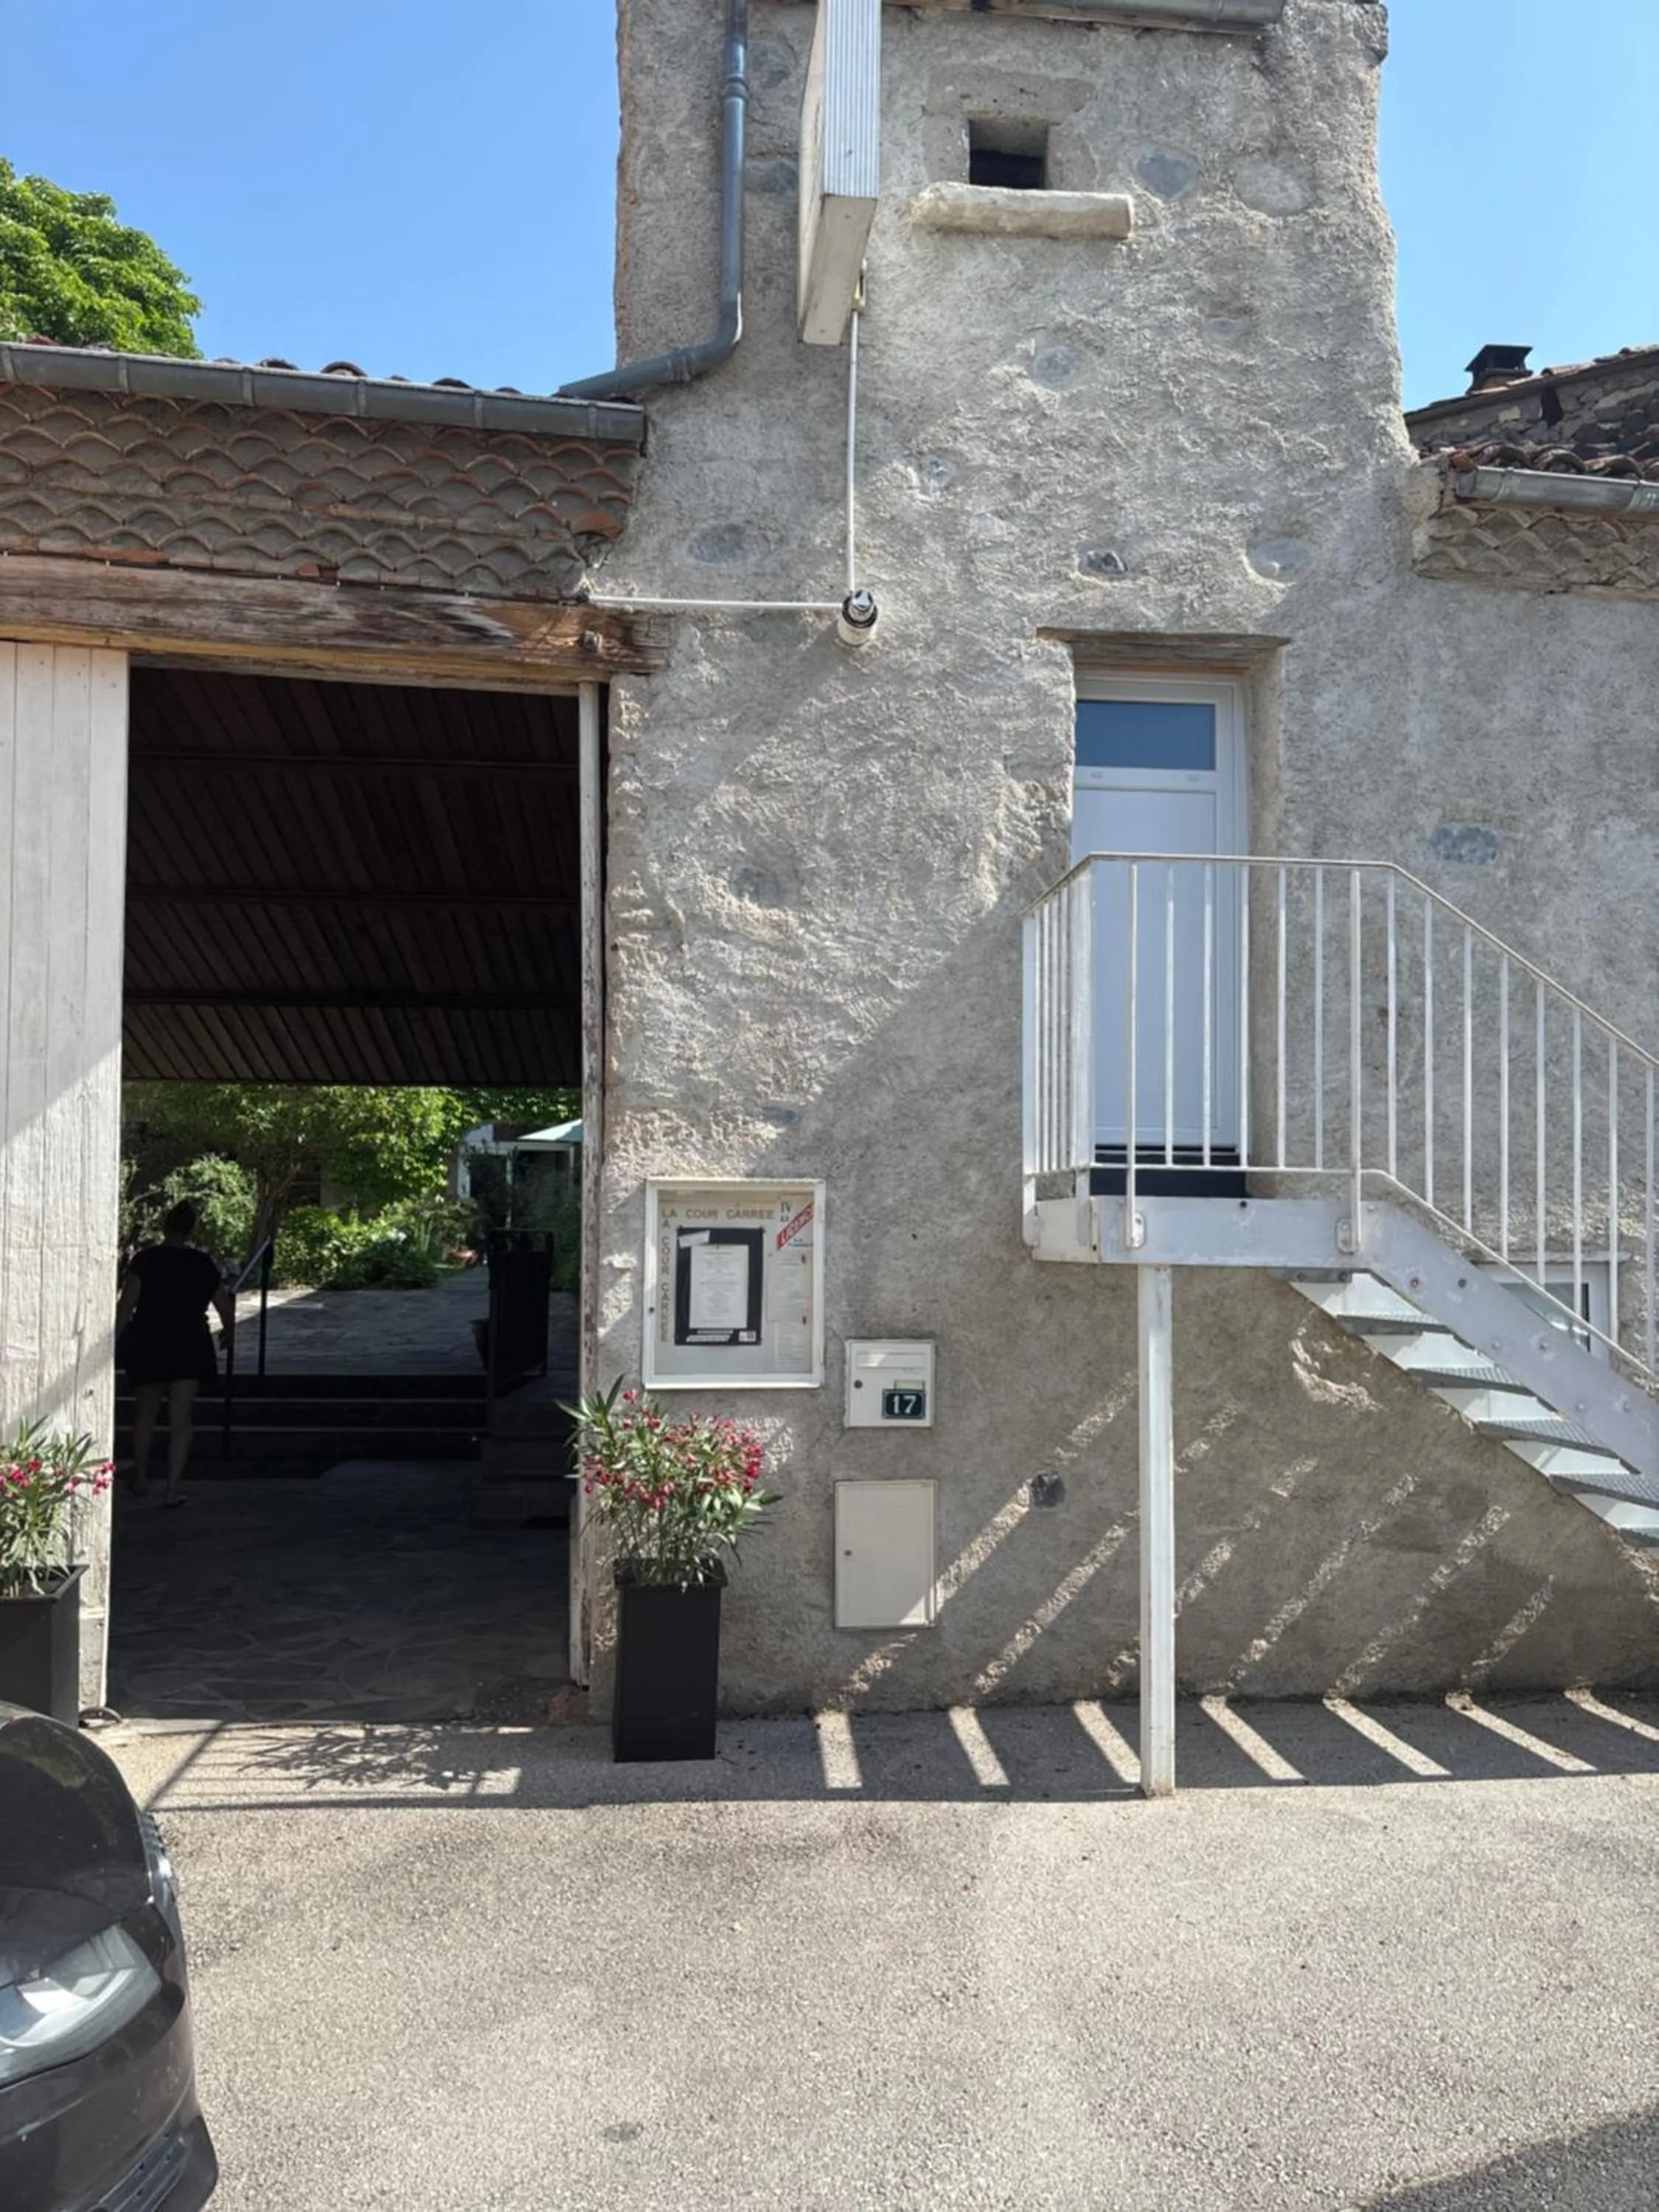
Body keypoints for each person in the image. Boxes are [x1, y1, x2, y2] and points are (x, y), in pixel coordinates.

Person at [115, 1202, 235, 1506]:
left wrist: (115, 1339)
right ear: (191, 1230)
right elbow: (223, 1304)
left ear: (164, 1227)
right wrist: (230, 1332)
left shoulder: (146, 1260)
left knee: (145, 1414)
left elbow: (127, 1304)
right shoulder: (202, 1264)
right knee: (181, 1419)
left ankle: (140, 1477)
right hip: (189, 1343)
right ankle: (172, 1489)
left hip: (149, 1341)